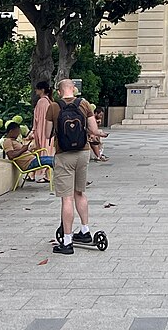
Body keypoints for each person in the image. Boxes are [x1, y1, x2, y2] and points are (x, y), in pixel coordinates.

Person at [47, 78, 101, 253]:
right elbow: (93, 129)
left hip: (64, 155)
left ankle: (67, 241)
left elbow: (48, 133)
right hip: (83, 153)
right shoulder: (84, 104)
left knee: (67, 198)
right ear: (73, 89)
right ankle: (85, 231)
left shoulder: (54, 107)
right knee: (80, 193)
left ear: (59, 91)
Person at [28, 80, 53, 182]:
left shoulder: (42, 102)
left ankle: (39, 174)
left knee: (41, 152)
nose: (35, 91)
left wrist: (34, 130)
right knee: (48, 152)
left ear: (42, 90)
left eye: (37, 89)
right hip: (48, 131)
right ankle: (46, 175)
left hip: (42, 131)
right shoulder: (49, 101)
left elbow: (38, 119)